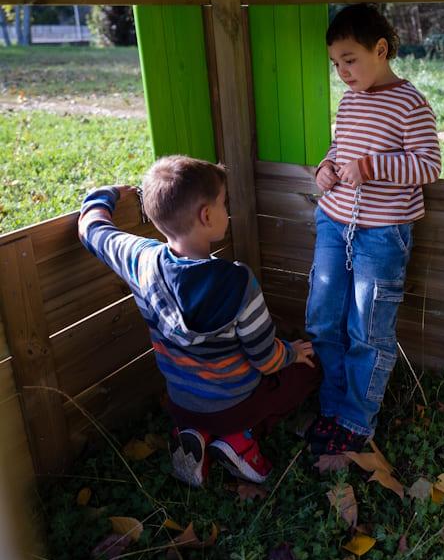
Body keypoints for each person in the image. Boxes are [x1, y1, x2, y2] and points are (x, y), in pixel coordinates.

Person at [77, 156, 317, 487]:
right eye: (223, 202)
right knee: (304, 373)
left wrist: (104, 194)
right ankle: (239, 441)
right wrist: (292, 353)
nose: (226, 208)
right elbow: (265, 359)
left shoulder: (140, 259)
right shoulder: (238, 283)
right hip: (235, 407)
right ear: (206, 216)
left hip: (182, 402)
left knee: (206, 405)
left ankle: (192, 432)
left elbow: (91, 229)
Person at [305, 4, 441, 460]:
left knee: (366, 328)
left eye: (350, 59)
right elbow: (340, 147)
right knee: (323, 318)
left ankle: (355, 419)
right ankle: (331, 404)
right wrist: (326, 168)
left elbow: (429, 165)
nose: (342, 72)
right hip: (333, 223)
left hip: (382, 235)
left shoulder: (410, 104)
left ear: (380, 50)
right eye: (336, 64)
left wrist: (372, 167)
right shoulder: (349, 100)